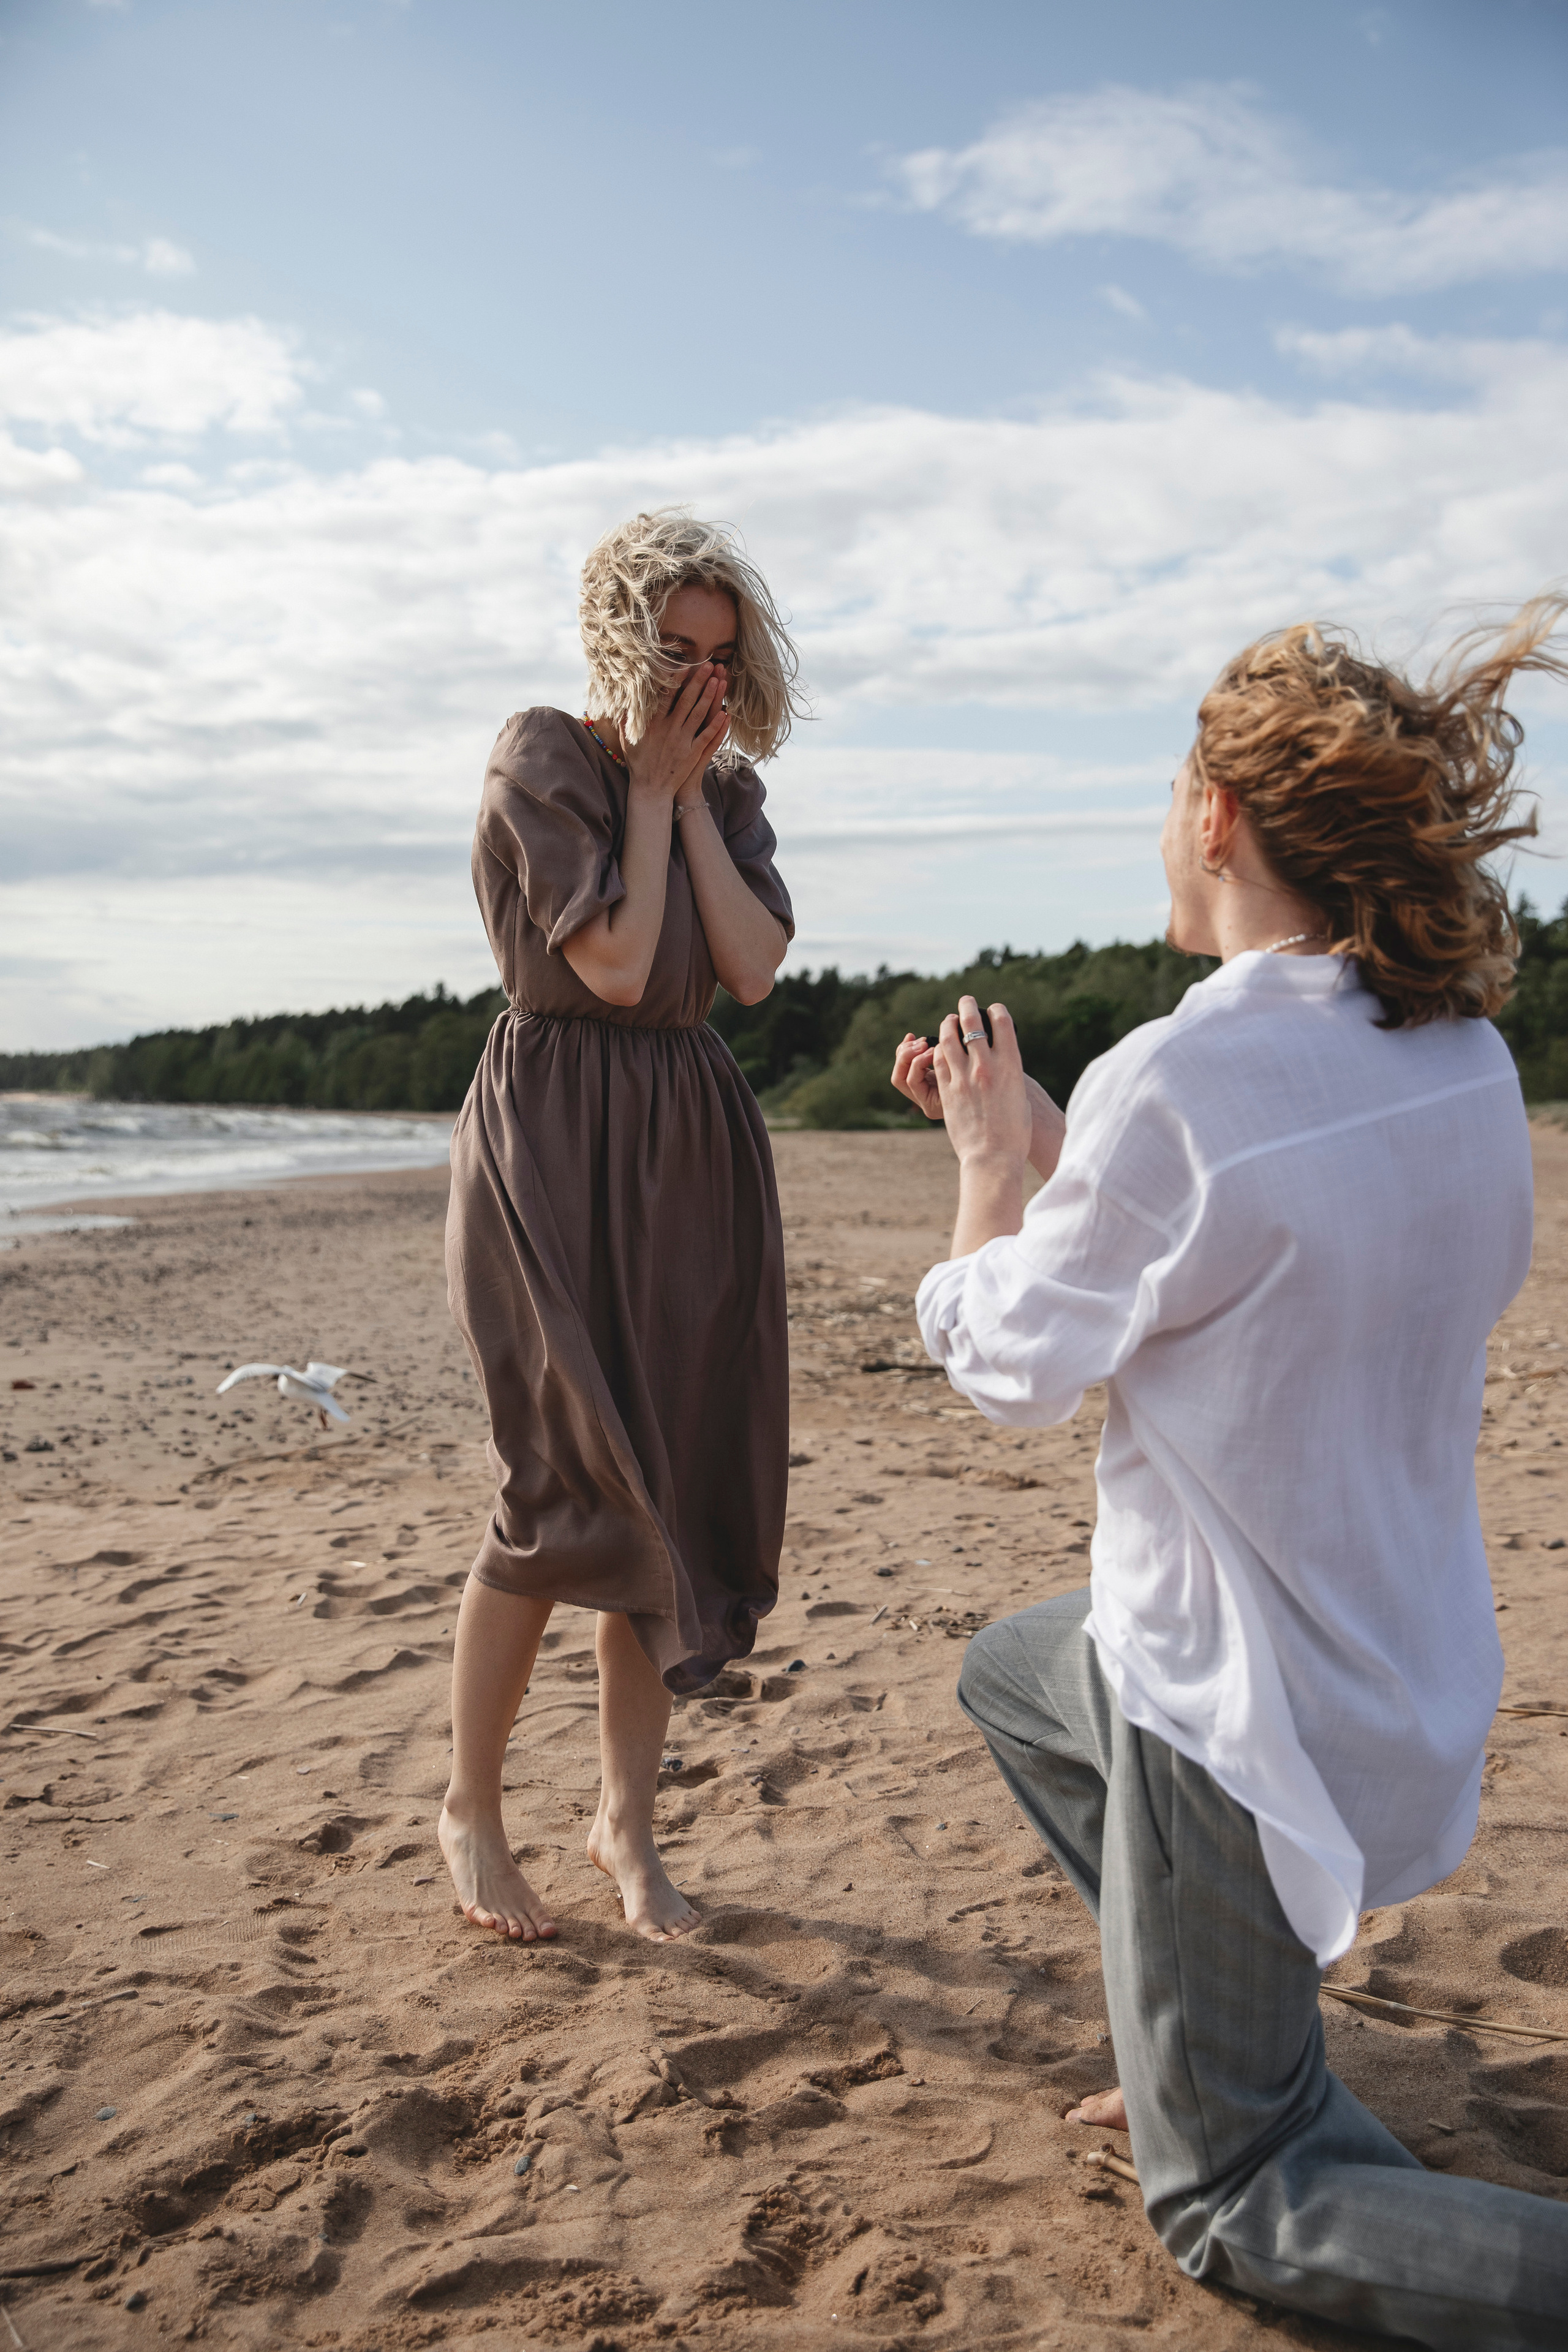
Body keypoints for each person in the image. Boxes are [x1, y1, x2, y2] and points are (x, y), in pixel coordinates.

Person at [891, 601, 1568, 2346]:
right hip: (1398, 1673)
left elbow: (1017, 1367)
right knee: (1014, 1672)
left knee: (1231, 2198)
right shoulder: (1462, 1059)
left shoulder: (1183, 1076)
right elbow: (1231, 1240)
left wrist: (984, 1174)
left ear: (1217, 815)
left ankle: (1237, 2104)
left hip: (1242, 1709)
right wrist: (1053, 1141)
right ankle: (1191, 2013)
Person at [441, 508, 803, 1945]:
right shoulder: (543, 752)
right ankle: (470, 1807)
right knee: (556, 1486)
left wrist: (691, 796)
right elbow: (600, 961)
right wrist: (646, 798)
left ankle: (624, 1830)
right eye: (674, 649)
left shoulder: (728, 788)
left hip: (683, 1138)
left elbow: (755, 968)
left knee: (657, 1492)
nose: (699, 679)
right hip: (553, 1131)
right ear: (618, 636)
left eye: (722, 655)